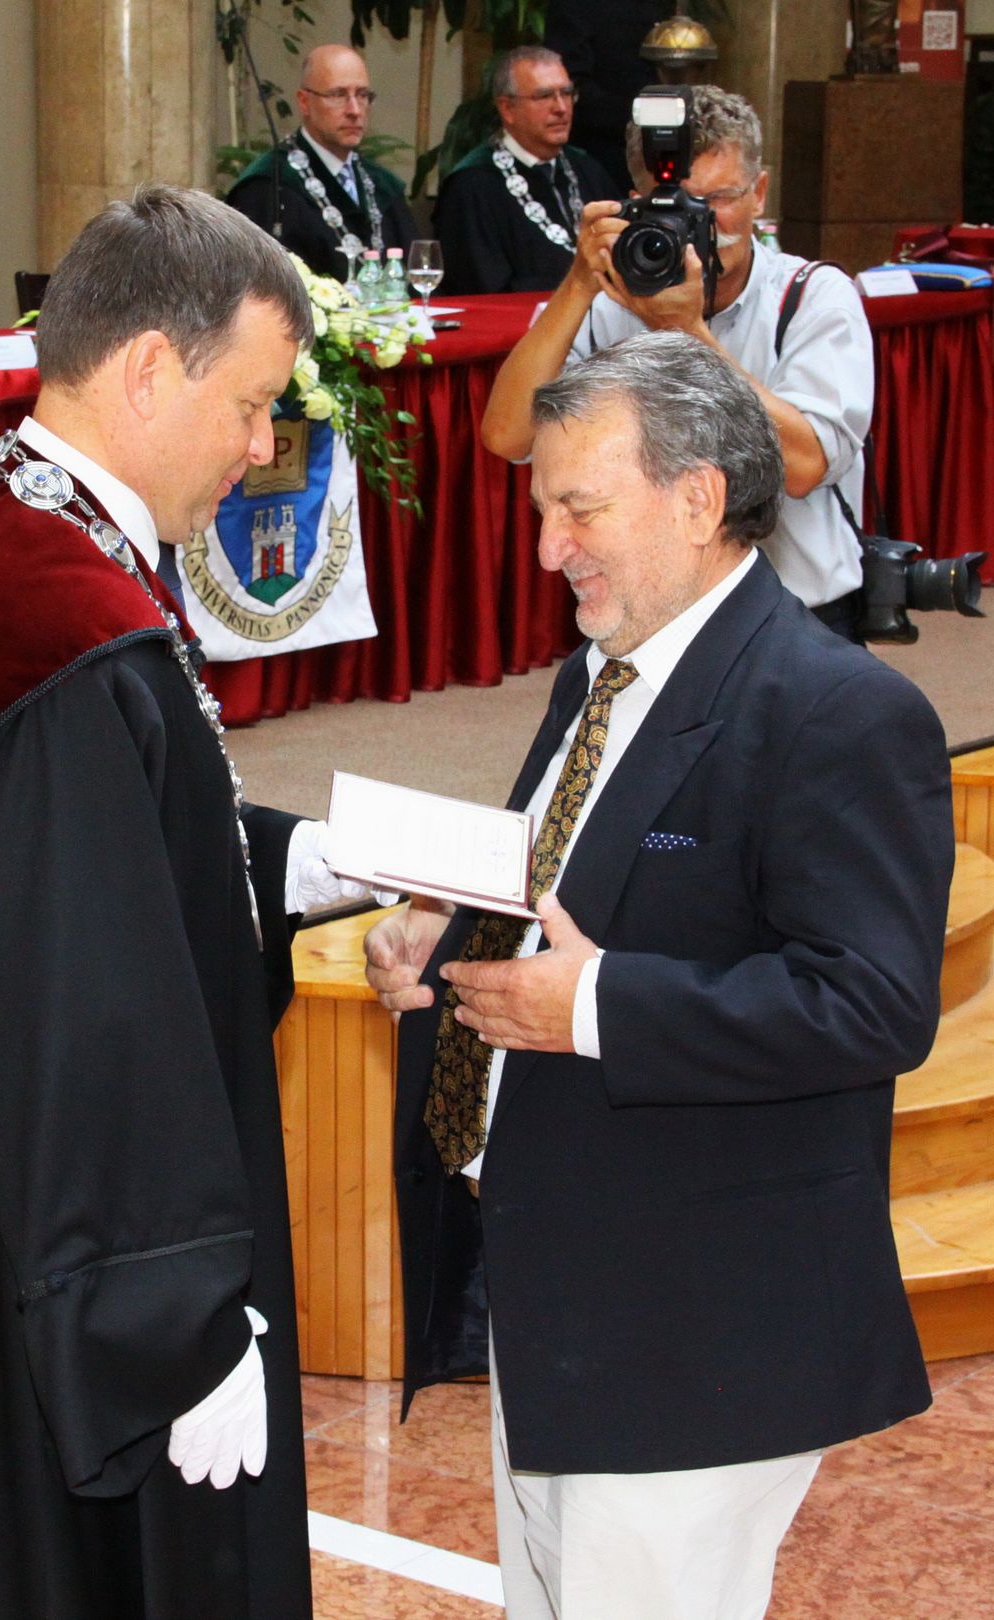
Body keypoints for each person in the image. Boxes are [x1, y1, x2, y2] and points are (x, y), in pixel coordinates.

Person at [365, 332, 954, 1620]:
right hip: (569, 1293)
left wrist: (592, 1005)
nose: (547, 549)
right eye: (542, 510)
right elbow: (572, 882)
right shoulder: (603, 668)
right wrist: (450, 937)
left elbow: (873, 1003)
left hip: (700, 1328)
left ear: (697, 499)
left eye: (580, 508)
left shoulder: (840, 713)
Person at [0, 184, 374, 1619]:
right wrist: (166, 1315)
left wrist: (299, 864)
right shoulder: (66, 627)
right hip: (90, 1266)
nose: (262, 445)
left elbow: (109, 849)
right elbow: (85, 999)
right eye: (250, 403)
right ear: (150, 368)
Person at [481, 86, 874, 636]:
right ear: (633, 203)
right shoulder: (604, 300)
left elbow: (806, 466)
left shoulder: (814, 296)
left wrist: (685, 330)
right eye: (673, 205)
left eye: (719, 199)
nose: (699, 224)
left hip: (797, 613)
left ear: (760, 193)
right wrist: (578, 283)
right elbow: (507, 436)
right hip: (648, 621)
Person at [434, 46, 615, 296]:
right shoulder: (472, 184)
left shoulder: (587, 169)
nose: (561, 108)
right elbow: (482, 287)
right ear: (507, 108)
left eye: (566, 93)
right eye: (544, 96)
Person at [228, 43, 415, 282]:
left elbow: (417, 274)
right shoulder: (269, 186)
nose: (355, 110)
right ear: (304, 102)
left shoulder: (381, 184)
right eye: (338, 95)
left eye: (362, 95)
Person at [544, 0, 673, 192]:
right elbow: (572, 88)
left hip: (665, 143)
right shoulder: (574, 6)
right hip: (606, 156)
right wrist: (644, 116)